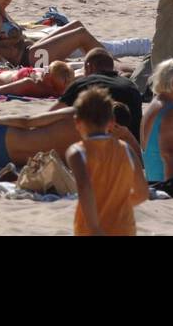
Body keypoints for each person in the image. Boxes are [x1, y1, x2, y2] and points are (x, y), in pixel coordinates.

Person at [67, 87, 148, 236]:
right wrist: (118, 205)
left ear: (77, 122)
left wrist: (94, 227)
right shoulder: (127, 150)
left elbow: (84, 188)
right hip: (125, 227)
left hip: (90, 229)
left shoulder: (77, 152)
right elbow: (142, 193)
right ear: (111, 122)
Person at [54, 48, 145, 139]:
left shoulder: (82, 84)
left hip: (92, 142)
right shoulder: (131, 86)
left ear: (89, 67)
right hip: (130, 143)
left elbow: (54, 112)